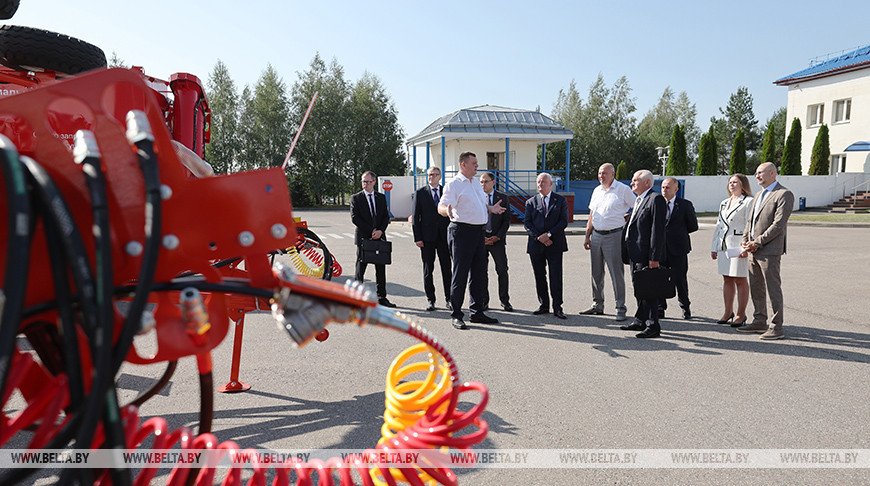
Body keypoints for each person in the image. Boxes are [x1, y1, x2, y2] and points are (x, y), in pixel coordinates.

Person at [438, 152, 506, 330]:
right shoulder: (453, 184)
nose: (477, 165)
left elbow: (479, 205)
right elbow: (441, 206)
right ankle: (456, 314)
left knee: (479, 274)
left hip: (478, 233)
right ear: (463, 165)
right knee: (460, 275)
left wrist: (491, 209)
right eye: (474, 163)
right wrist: (448, 211)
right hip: (461, 232)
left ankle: (477, 312)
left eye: (477, 162)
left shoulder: (476, 183)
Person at [737, 162, 794, 340]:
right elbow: (750, 222)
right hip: (753, 249)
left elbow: (778, 224)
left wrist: (757, 242)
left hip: (769, 250)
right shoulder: (759, 195)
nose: (757, 176)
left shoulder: (783, 194)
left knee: (773, 288)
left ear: (772, 173)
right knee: (757, 287)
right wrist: (745, 241)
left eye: (760, 173)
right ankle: (759, 320)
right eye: (756, 173)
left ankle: (776, 327)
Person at [581, 163, 636, 321]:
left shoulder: (623, 189)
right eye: (599, 173)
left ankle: (620, 308)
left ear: (612, 174)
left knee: (616, 273)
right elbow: (592, 214)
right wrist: (587, 235)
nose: (601, 176)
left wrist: (626, 219)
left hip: (614, 236)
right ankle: (597, 304)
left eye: (604, 173)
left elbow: (637, 207)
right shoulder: (597, 190)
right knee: (596, 273)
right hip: (596, 235)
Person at [620, 170, 667, 338]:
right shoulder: (639, 199)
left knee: (649, 290)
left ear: (647, 183)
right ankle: (640, 320)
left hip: (647, 255)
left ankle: (653, 325)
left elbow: (658, 230)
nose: (631, 183)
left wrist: (654, 257)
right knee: (639, 288)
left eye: (635, 181)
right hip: (635, 253)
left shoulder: (656, 199)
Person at [523, 172, 569, 319]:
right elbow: (527, 223)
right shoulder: (531, 202)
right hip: (536, 245)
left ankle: (557, 307)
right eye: (538, 182)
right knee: (539, 276)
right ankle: (544, 305)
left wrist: (548, 235)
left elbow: (563, 222)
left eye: (543, 182)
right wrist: (539, 237)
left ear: (550, 184)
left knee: (556, 276)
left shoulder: (560, 200)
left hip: (554, 244)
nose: (540, 185)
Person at [710, 174, 754, 327]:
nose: (732, 184)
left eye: (735, 182)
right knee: (727, 279)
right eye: (730, 182)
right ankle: (728, 312)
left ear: (743, 185)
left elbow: (751, 225)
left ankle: (741, 314)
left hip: (738, 245)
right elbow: (718, 226)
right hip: (724, 245)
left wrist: (746, 246)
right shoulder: (724, 203)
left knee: (740, 279)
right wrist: (714, 247)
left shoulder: (748, 202)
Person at [351, 171, 395, 308]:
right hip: (364, 237)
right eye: (363, 182)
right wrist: (371, 231)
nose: (365, 184)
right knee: (360, 268)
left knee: (380, 268)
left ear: (374, 182)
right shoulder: (356, 198)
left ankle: (382, 297)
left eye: (368, 182)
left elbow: (385, 217)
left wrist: (380, 231)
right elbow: (355, 218)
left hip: (379, 237)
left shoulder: (381, 197)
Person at [659, 177, 698, 320]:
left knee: (680, 279)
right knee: (660, 279)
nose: (664, 190)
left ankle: (685, 307)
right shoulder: (657, 204)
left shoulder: (685, 205)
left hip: (678, 249)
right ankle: (660, 308)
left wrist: (677, 232)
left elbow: (693, 226)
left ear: (676, 189)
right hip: (660, 249)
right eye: (663, 187)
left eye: (668, 187)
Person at [412, 167, 451, 311]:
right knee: (428, 270)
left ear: (440, 176)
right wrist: (418, 238)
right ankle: (431, 299)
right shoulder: (420, 193)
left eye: (434, 175)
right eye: (429, 175)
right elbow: (416, 217)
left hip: (444, 238)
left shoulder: (446, 192)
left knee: (447, 269)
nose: (432, 177)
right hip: (427, 239)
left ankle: (449, 299)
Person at [480, 172, 513, 312]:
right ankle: (484, 301)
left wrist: (497, 237)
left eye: (485, 181)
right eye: (481, 182)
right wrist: (482, 238)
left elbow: (506, 221)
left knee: (502, 270)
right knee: (481, 272)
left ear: (493, 182)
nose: (483, 184)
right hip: (481, 240)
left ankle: (505, 301)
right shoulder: (477, 197)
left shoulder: (503, 198)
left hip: (497, 241)